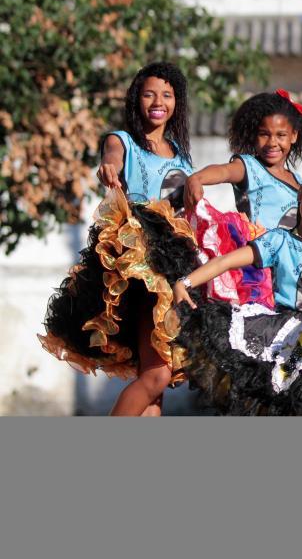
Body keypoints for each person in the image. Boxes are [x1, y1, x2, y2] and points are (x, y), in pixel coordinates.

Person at [40, 62, 200, 416]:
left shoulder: (181, 154)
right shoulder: (121, 140)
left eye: (167, 95)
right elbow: (111, 160)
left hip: (174, 264)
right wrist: (108, 168)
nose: (158, 102)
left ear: (177, 102)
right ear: (136, 100)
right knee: (156, 377)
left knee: (157, 382)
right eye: (149, 94)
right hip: (140, 264)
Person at [173, 162, 302, 415]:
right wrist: (187, 281)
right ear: (301, 194)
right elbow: (227, 260)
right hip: (278, 336)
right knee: (270, 402)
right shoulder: (278, 240)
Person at [184, 90, 302, 308]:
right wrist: (197, 178)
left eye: (281, 135)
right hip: (256, 267)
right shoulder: (249, 167)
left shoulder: (299, 181)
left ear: (294, 136)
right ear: (253, 135)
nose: (272, 142)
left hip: (288, 269)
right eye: (264, 134)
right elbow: (224, 171)